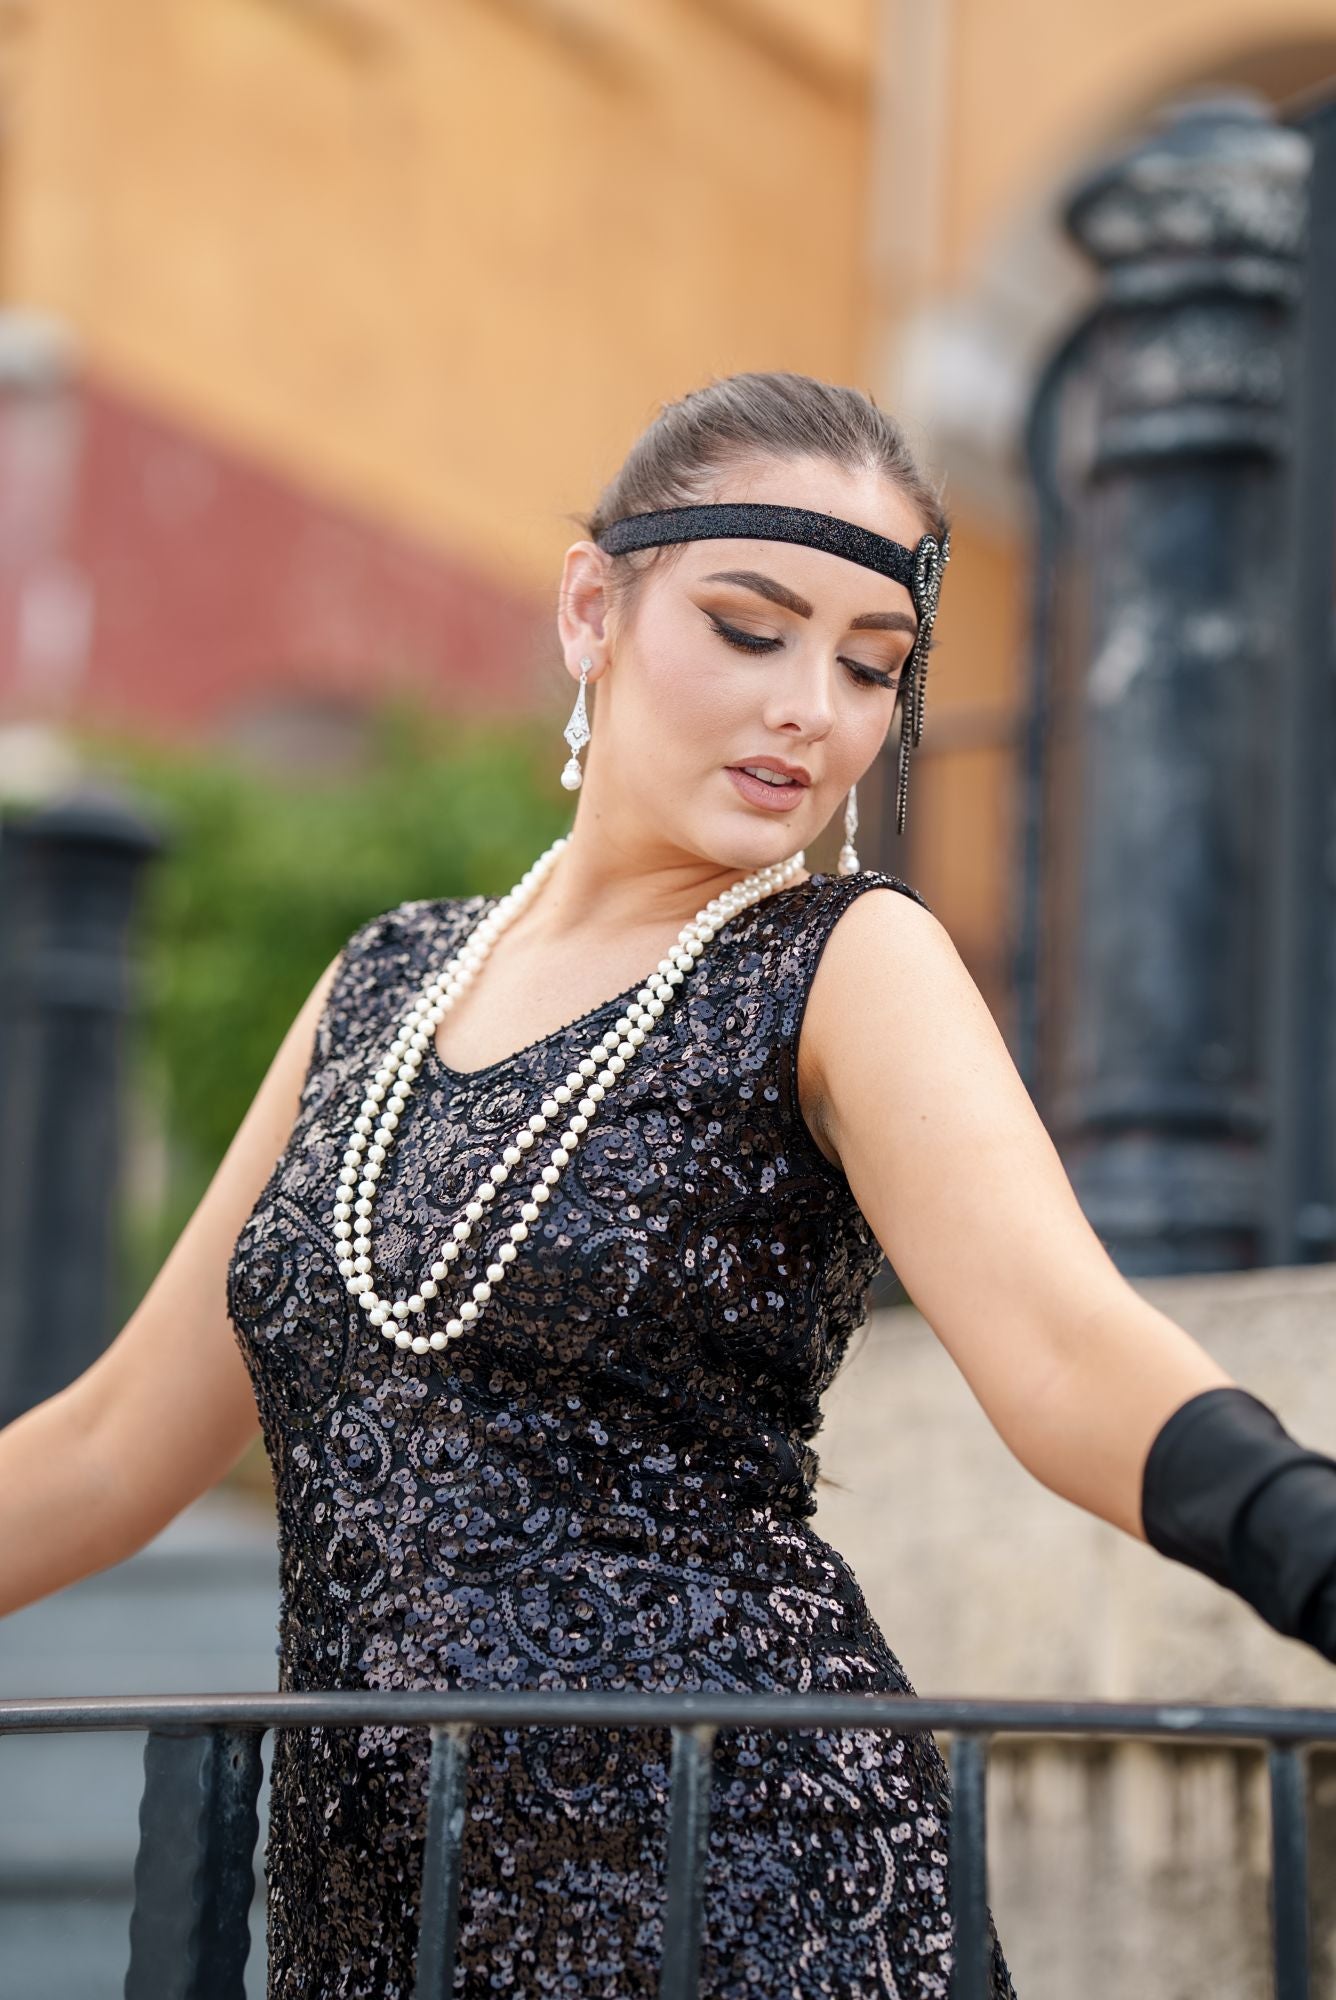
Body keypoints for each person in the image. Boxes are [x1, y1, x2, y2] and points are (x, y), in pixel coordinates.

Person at [1, 369, 1333, 2000]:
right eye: (751, 628)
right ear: (594, 609)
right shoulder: (383, 983)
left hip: (746, 1881)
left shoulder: (850, 963)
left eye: (871, 667)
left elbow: (1064, 1354)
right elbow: (114, 1445)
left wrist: (1303, 1538)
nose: (810, 710)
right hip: (375, 1918)